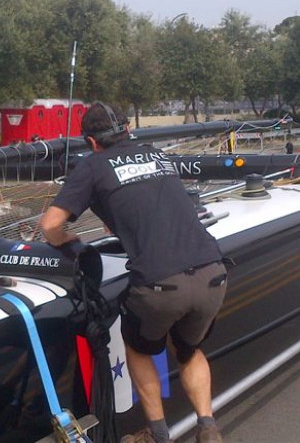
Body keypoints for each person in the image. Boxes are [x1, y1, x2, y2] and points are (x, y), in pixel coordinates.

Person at [40, 102, 227, 443]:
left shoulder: (92, 166)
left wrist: (66, 239)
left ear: (91, 142)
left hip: (161, 284)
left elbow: (50, 225)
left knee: (139, 347)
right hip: (213, 271)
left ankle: (156, 434)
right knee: (188, 351)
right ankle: (208, 428)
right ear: (128, 130)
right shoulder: (157, 155)